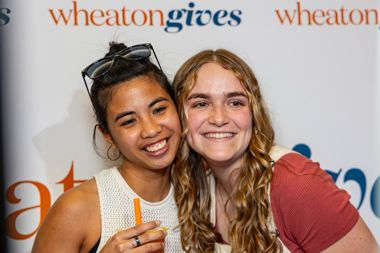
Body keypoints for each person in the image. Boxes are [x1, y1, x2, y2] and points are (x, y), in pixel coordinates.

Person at [171, 48, 379, 253]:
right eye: (201, 104)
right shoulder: (196, 188)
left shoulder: (297, 184)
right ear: (179, 115)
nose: (218, 118)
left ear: (254, 113)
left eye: (235, 102)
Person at [32, 42, 183, 253]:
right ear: (108, 135)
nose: (150, 130)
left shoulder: (202, 196)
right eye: (129, 121)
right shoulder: (78, 208)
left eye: (159, 109)